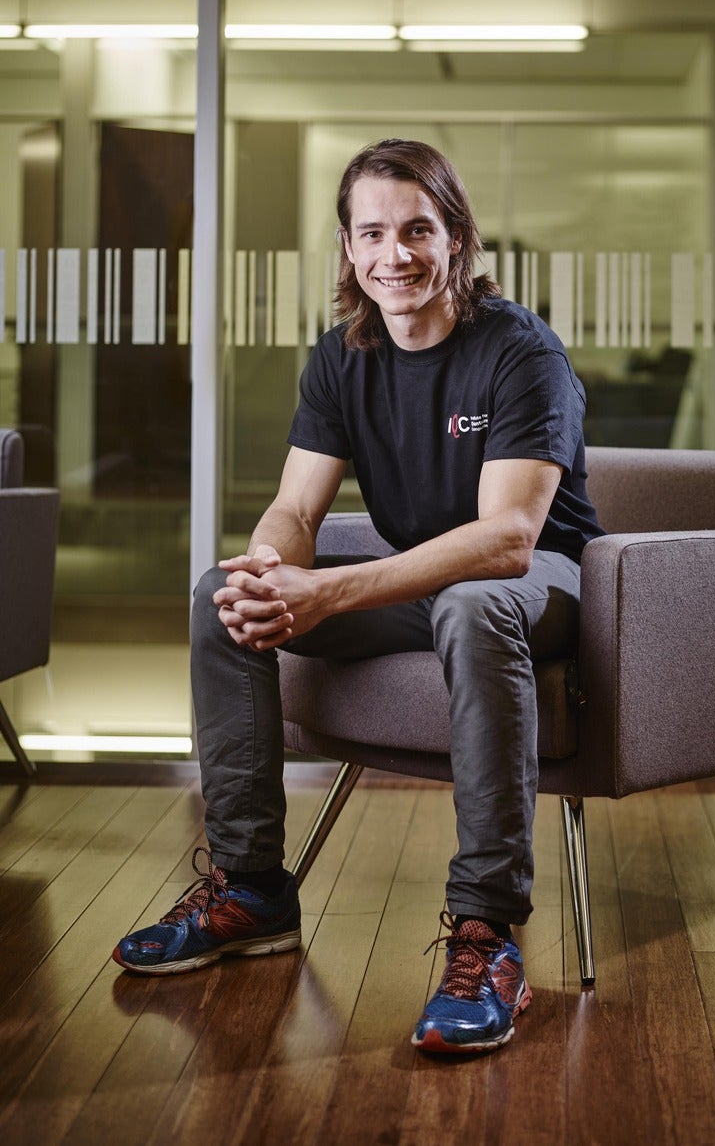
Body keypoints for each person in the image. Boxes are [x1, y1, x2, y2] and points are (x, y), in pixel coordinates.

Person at [112, 138, 603, 1055]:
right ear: (348, 246)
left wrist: (329, 591)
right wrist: (270, 571)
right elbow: (298, 507)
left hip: (542, 584)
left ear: (456, 237)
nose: (395, 253)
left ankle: (487, 932)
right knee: (223, 594)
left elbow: (507, 538)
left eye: (417, 228)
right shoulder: (343, 355)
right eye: (372, 232)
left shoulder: (520, 350)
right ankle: (252, 887)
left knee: (470, 602)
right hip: (423, 577)